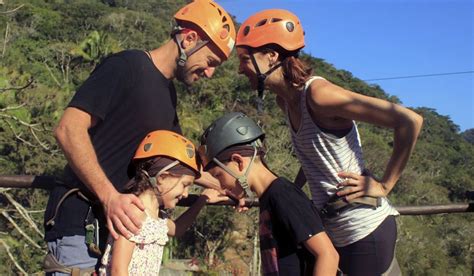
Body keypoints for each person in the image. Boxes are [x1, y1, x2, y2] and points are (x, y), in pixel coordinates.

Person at [43, 0, 236, 274]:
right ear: (190, 38)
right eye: (210, 61)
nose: (210, 72)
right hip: (82, 223)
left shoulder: (168, 96)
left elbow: (182, 163)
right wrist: (110, 197)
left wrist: (228, 187)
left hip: (121, 229)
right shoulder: (126, 67)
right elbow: (68, 129)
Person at [234, 9, 423, 276]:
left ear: (272, 56)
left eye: (245, 59)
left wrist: (384, 184)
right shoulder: (285, 101)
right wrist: (290, 196)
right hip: (333, 226)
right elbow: (313, 156)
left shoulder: (319, 95)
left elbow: (410, 121)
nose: (241, 69)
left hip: (363, 229)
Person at [198, 112, 339, 276]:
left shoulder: (283, 194)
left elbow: (328, 255)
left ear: (238, 161)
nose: (221, 185)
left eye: (218, 176)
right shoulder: (269, 196)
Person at [98, 130, 227, 275]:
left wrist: (203, 199)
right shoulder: (134, 212)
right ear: (162, 178)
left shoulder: (157, 216)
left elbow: (177, 229)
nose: (185, 194)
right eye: (185, 185)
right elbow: (118, 270)